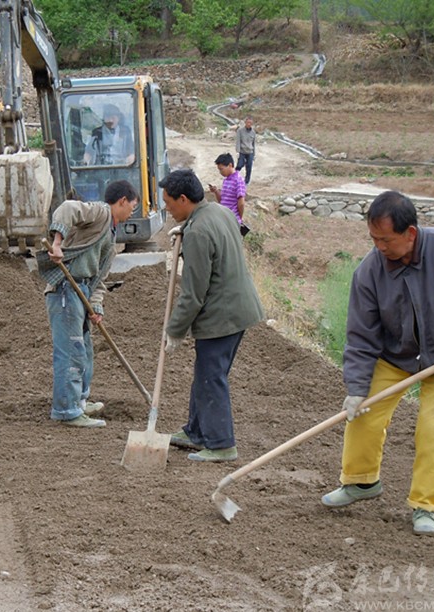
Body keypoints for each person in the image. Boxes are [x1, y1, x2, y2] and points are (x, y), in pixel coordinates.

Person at [321, 190, 434, 535]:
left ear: (410, 233)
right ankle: (361, 482)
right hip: (395, 356)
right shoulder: (369, 272)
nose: (379, 247)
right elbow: (361, 336)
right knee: (363, 414)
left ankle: (426, 506)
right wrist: (356, 389)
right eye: (373, 239)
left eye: (385, 240)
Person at [161, 169, 264, 461]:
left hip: (222, 316)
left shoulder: (198, 232)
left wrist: (174, 330)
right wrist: (186, 228)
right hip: (240, 307)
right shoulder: (219, 212)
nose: (167, 208)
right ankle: (196, 431)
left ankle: (220, 444)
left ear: (183, 199)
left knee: (211, 377)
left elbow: (193, 293)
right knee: (205, 373)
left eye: (168, 202)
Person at [36, 180, 140, 428]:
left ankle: (79, 400)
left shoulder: (111, 235)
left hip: (82, 291)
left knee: (84, 351)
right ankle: (67, 410)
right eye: (132, 207)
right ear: (122, 201)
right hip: (65, 288)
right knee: (71, 351)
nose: (132, 212)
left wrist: (97, 308)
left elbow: (100, 279)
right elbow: (67, 208)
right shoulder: (100, 212)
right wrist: (57, 243)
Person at [207, 153, 246, 230]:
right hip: (224, 218)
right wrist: (216, 191)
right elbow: (222, 201)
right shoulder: (226, 180)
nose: (220, 172)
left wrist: (239, 219)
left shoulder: (238, 180)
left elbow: (241, 203)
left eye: (221, 169)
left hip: (232, 220)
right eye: (219, 170)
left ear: (230, 165)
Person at [235, 117, 256, 184]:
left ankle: (246, 181)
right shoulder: (240, 131)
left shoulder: (253, 132)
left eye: (250, 123)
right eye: (248, 122)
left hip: (250, 152)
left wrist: (254, 154)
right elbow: (238, 141)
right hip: (242, 151)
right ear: (245, 123)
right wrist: (237, 151)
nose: (249, 124)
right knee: (239, 165)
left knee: (249, 167)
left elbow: (253, 144)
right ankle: (234, 177)